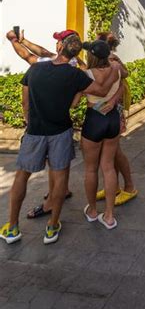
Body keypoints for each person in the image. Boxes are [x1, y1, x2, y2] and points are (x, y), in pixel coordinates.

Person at [0, 35, 117, 245]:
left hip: (34, 132)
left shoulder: (34, 69)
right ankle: (52, 227)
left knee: (21, 176)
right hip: (61, 131)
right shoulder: (75, 75)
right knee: (60, 175)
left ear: (60, 47)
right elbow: (102, 90)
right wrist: (114, 72)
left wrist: (29, 118)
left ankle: (12, 227)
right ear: (77, 54)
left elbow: (25, 101)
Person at [6, 29, 81, 219]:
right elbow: (43, 52)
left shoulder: (40, 67)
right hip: (62, 126)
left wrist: (14, 41)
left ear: (62, 45)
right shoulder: (74, 66)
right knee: (60, 169)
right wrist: (25, 39)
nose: (54, 44)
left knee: (25, 173)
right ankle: (56, 210)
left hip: (38, 129)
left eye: (58, 41)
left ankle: (43, 209)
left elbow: (29, 55)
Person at [80, 40, 123, 230]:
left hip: (94, 119)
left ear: (91, 56)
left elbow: (74, 101)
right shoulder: (116, 68)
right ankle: (110, 216)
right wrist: (113, 100)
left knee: (91, 169)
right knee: (108, 167)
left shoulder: (85, 75)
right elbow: (122, 85)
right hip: (112, 118)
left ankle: (92, 211)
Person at [95, 32, 138, 207]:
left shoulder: (111, 60)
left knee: (115, 151)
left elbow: (121, 79)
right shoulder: (110, 59)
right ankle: (114, 186)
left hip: (112, 110)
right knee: (109, 152)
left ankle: (129, 187)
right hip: (107, 110)